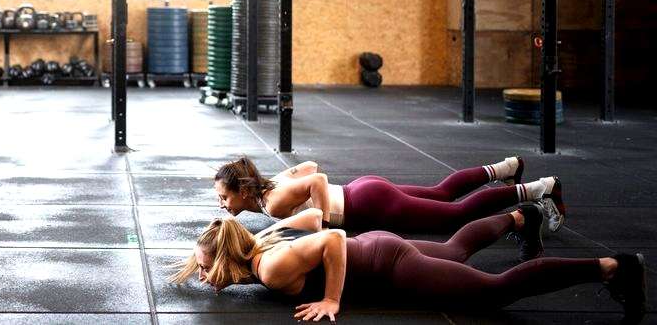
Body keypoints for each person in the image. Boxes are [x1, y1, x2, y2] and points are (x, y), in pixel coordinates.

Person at [171, 207, 646, 323]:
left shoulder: (270, 268)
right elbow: (315, 216)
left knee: (494, 292)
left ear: (230, 259)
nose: (208, 281)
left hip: (388, 262)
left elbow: (333, 237)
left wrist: (332, 297)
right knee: (458, 251)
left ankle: (613, 266)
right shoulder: (260, 241)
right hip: (378, 246)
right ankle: (524, 216)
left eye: (207, 270)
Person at [213, 155, 566, 234]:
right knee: (441, 193)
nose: (222, 203)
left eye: (224, 197)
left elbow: (316, 178)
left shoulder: (272, 200)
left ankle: (540, 188)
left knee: (455, 216)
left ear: (243, 191)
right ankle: (506, 168)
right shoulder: (269, 190)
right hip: (364, 191)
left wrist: (319, 220)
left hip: (370, 203)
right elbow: (307, 165)